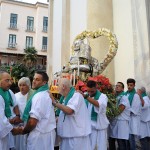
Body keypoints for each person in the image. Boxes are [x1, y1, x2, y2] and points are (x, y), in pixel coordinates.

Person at [14, 71, 56, 150]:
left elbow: (33, 122)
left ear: (44, 82)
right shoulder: (45, 93)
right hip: (46, 134)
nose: (34, 81)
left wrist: (23, 131)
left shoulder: (39, 96)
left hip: (39, 136)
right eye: (33, 79)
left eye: (37, 79)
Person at [50, 78, 91, 150]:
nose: (57, 87)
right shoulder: (64, 98)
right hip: (67, 136)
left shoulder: (76, 96)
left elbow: (69, 111)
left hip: (76, 138)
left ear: (63, 86)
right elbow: (63, 115)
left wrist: (54, 102)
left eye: (58, 85)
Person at [81, 80, 109, 150]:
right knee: (88, 147)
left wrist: (87, 97)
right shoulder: (85, 94)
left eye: (92, 91)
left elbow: (99, 104)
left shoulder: (102, 96)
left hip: (100, 127)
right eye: (88, 91)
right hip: (89, 127)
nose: (90, 93)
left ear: (96, 88)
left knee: (101, 147)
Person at [0, 71, 21, 150]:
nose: (10, 83)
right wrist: (13, 130)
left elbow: (15, 105)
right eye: (7, 80)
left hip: (6, 128)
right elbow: (1, 120)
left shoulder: (8, 92)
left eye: (10, 80)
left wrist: (17, 116)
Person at [109, 82, 130, 150]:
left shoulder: (124, 97)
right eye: (116, 86)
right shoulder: (115, 97)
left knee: (121, 143)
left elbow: (120, 109)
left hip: (121, 123)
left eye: (119, 86)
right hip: (114, 122)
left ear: (123, 88)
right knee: (111, 141)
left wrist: (109, 113)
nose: (117, 87)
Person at [14, 77, 34, 150]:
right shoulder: (15, 96)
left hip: (28, 123)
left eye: (24, 85)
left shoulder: (33, 95)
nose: (21, 87)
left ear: (29, 86)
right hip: (18, 123)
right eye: (20, 85)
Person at [125, 78, 141, 150]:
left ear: (134, 85)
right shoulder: (125, 94)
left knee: (131, 140)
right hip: (125, 120)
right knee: (125, 140)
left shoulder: (136, 96)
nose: (129, 86)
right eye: (128, 85)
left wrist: (122, 111)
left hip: (132, 120)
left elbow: (134, 110)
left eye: (131, 85)